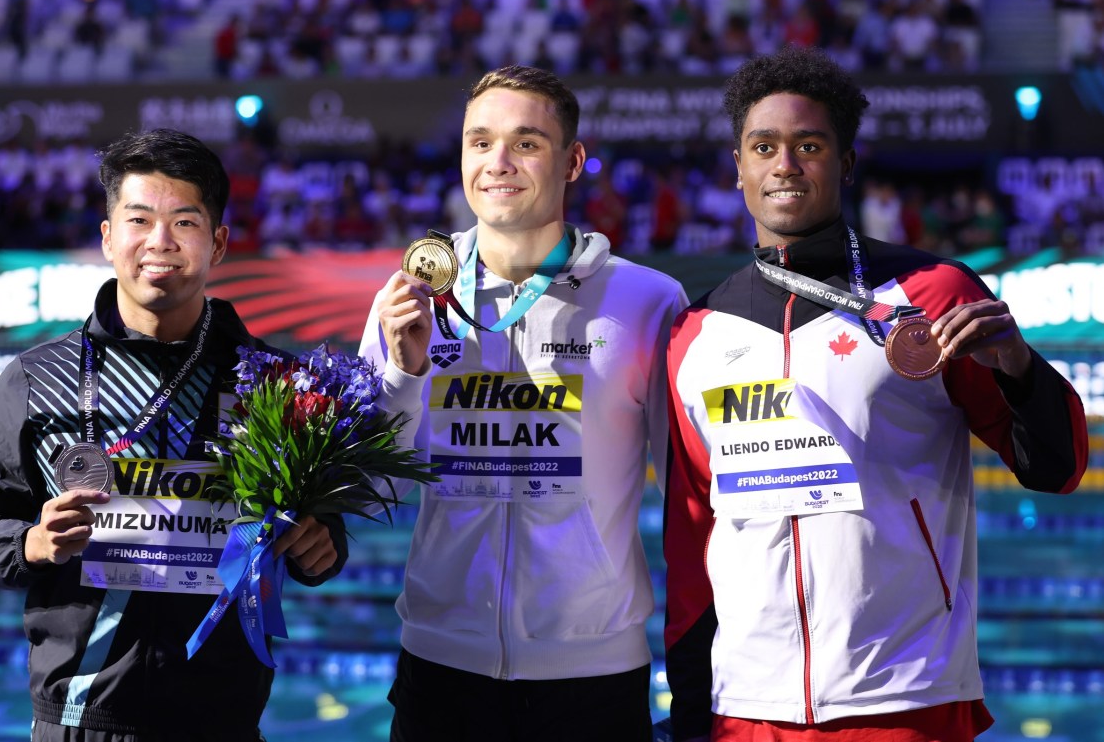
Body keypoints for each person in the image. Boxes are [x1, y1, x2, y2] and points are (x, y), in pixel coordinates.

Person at [663, 46, 1088, 742]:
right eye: (763, 146)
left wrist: (1018, 368)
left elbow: (1058, 467)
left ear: (847, 163)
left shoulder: (931, 295)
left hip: (904, 694)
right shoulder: (696, 332)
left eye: (810, 145)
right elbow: (692, 536)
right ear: (738, 168)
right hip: (745, 706)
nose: (785, 165)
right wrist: (690, 710)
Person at [0, 128, 347, 742]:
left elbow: (322, 539)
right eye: (139, 220)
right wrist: (32, 544)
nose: (159, 242)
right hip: (79, 721)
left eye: (185, 223)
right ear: (109, 237)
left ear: (218, 243)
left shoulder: (275, 385)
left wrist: (320, 550)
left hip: (221, 721)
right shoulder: (36, 380)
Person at [359, 64, 688, 741]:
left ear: (572, 162)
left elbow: (689, 505)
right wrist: (404, 371)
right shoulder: (410, 296)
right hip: (440, 666)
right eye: (479, 142)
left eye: (525, 143)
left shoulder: (646, 301)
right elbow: (375, 487)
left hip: (593, 677)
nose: (497, 162)